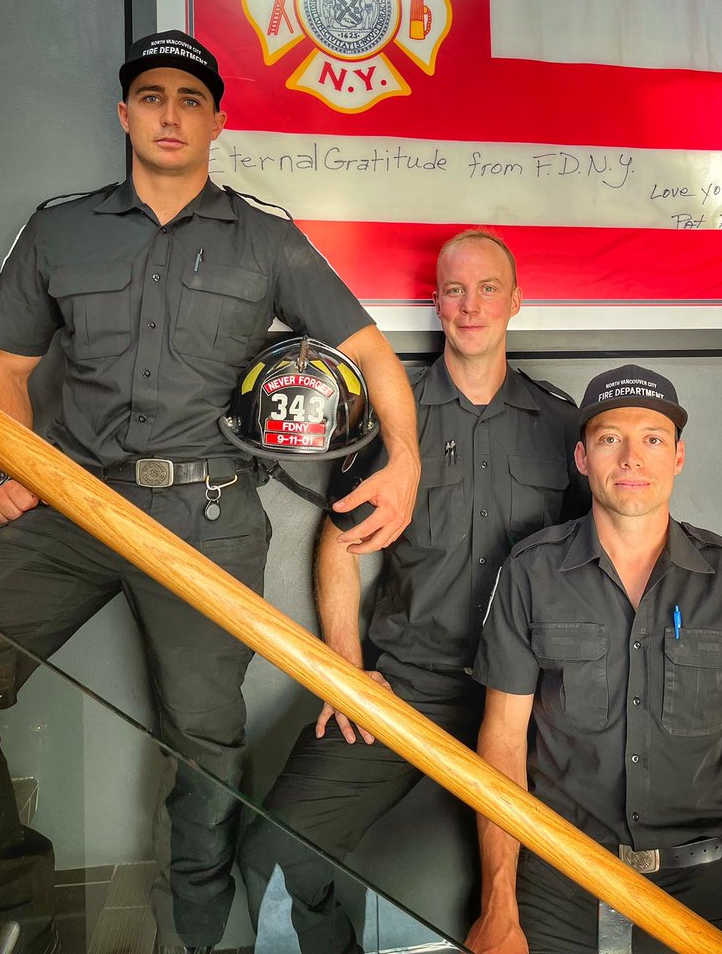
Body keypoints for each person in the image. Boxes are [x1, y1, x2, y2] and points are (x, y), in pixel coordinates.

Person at [0, 30, 421, 954]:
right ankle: (14, 895)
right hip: (72, 499)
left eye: (191, 100)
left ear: (217, 121)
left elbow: (369, 353)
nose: (171, 114)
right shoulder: (59, 226)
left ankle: (194, 938)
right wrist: (14, 465)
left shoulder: (263, 235)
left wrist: (407, 460)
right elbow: (7, 365)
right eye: (153, 96)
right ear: (125, 114)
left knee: (204, 745)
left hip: (205, 515)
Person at [239, 229, 590, 954]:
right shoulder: (398, 418)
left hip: (533, 701)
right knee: (276, 855)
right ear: (435, 302)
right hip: (410, 692)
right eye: (454, 289)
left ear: (515, 301)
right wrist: (344, 670)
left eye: (488, 288)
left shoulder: (562, 425)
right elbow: (337, 540)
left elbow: (595, 560)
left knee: (576, 888)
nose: (470, 305)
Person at [468, 365, 722, 954]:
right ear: (582, 457)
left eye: (653, 439)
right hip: (557, 883)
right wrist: (498, 904)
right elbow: (501, 741)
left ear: (678, 457)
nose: (632, 458)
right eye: (610, 439)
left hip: (694, 892)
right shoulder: (529, 572)